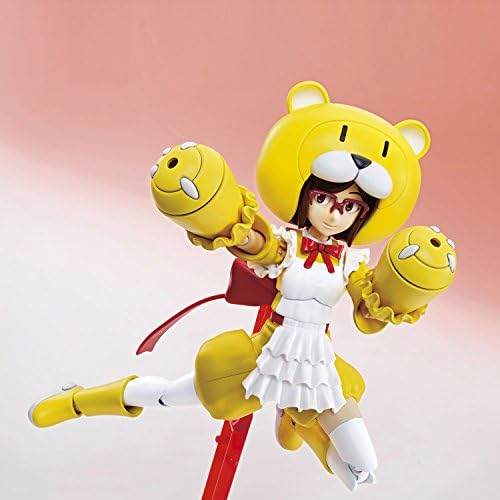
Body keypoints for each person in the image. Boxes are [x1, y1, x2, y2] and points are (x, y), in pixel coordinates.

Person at [29, 81, 437, 493]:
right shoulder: (289, 244)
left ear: (362, 214)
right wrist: (223, 219)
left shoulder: (351, 262)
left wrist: (411, 279)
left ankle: (296, 420)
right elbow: (257, 246)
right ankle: (77, 400)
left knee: (361, 468)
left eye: (349, 206)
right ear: (306, 196)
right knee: (171, 394)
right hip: (265, 354)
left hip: (316, 363)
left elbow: (370, 308)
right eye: (324, 198)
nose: (334, 213)